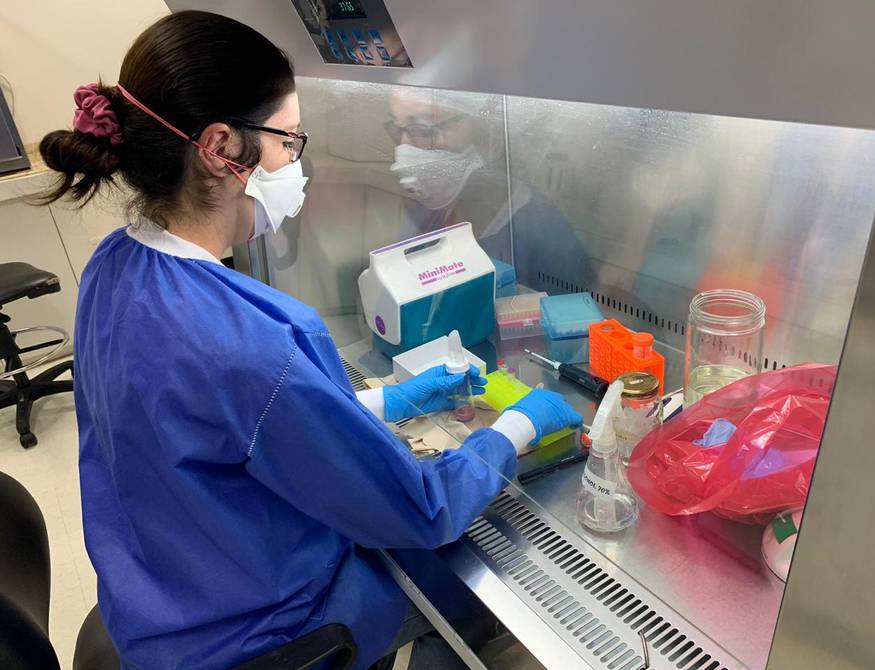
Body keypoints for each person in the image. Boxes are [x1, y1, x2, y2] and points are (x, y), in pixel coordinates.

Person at [37, 11, 581, 670]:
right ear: (220, 147)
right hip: (269, 635)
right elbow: (421, 510)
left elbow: (220, 428)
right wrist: (518, 426)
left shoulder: (114, 265)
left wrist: (383, 403)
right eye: (289, 141)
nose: (296, 162)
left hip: (163, 608)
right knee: (482, 600)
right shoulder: (256, 342)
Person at [387, 86, 592, 288]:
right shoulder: (425, 211)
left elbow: (573, 305)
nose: (404, 148)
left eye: (422, 129)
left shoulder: (542, 229)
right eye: (397, 128)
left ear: (481, 129)